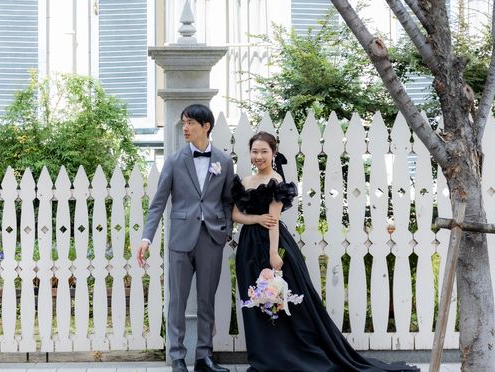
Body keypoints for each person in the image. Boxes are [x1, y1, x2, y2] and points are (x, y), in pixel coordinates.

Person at [232, 131, 419, 372]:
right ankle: (265, 357)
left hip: (272, 244)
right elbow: (235, 215)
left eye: (264, 151)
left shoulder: (276, 182)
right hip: (248, 247)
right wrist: (257, 218)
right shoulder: (245, 181)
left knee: (282, 302)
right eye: (255, 151)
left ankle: (288, 356)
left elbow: (274, 222)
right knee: (255, 302)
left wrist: (273, 254)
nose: (258, 156)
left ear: (273, 153)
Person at [137, 104, 234, 372]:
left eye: (190, 123)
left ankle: (204, 357)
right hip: (180, 239)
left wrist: (225, 230)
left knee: (206, 301)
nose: (185, 128)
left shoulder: (224, 161)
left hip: (211, 239)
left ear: (206, 126)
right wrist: (146, 238)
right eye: (183, 123)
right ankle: (177, 357)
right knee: (177, 301)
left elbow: (228, 200)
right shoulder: (174, 160)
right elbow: (158, 203)